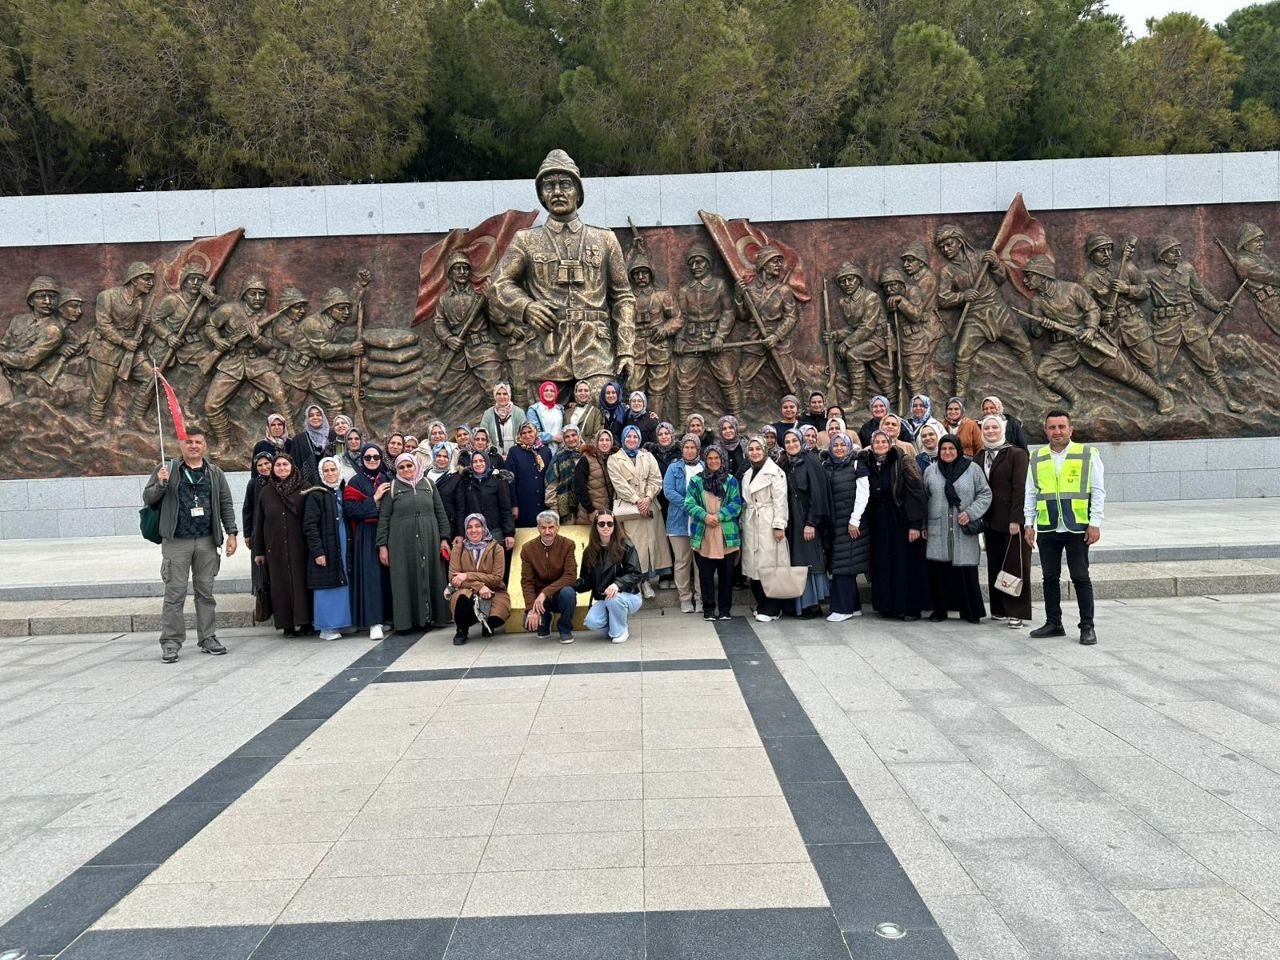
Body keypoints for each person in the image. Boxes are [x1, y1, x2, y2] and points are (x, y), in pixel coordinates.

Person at [488, 148, 636, 399]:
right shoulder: (526, 240)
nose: (557, 192)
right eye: (549, 185)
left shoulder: (604, 239)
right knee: (546, 428)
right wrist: (526, 307)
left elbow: (623, 298)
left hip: (595, 352)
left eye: (565, 184)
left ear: (578, 192)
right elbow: (498, 284)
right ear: (542, 194)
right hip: (547, 352)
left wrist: (626, 350)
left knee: (599, 427)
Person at [142, 427, 239, 663]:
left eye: (198, 442)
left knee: (205, 592)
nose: (193, 446)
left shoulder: (215, 472)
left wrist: (232, 533)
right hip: (177, 541)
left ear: (204, 446)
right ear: (181, 445)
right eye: (189, 442)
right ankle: (171, 642)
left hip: (206, 540)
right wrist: (161, 484)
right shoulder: (168, 469)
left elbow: (225, 503)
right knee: (174, 594)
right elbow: (148, 499)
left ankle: (208, 638)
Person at [1024, 410, 1105, 645]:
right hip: (1048, 525)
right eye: (1052, 427)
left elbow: (1098, 490)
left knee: (1080, 576)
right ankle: (1054, 623)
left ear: (1071, 429)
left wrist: (1095, 523)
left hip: (1077, 526)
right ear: (1045, 430)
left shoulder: (1088, 454)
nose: (1057, 431)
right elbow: (1030, 492)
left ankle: (1087, 626)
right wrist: (1029, 523)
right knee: (1050, 577)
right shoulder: (1037, 457)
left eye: (1061, 427)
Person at [853, 431, 927, 621]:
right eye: (876, 441)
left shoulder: (903, 460)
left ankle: (909, 608)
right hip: (878, 521)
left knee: (904, 563)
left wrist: (915, 525)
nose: (880, 444)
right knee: (882, 563)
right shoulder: (867, 461)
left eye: (883, 441)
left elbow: (916, 491)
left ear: (890, 442)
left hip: (900, 519)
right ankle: (886, 606)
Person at [378, 453, 452, 634]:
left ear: (416, 466)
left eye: (409, 466)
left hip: (430, 538)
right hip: (401, 543)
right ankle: (407, 622)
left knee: (431, 574)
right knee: (404, 578)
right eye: (401, 467)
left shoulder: (428, 485)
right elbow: (384, 519)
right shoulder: (393, 488)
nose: (406, 470)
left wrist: (444, 538)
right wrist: (382, 546)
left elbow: (440, 513)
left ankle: (433, 617)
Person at [923, 435, 992, 623]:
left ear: (958, 449)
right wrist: (923, 525)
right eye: (943, 449)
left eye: (951, 449)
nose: (947, 452)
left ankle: (970, 611)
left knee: (966, 571)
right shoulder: (931, 471)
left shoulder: (972, 469)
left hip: (963, 529)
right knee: (940, 572)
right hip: (938, 529)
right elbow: (924, 499)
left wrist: (970, 513)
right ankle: (940, 610)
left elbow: (985, 494)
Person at [980, 414, 1033, 628]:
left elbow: (1020, 489)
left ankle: (1016, 611)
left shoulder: (1016, 454)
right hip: (990, 521)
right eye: (986, 428)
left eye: (994, 427)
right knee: (995, 564)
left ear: (1002, 429)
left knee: (1015, 565)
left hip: (1012, 521)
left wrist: (1016, 519)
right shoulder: (980, 456)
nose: (990, 431)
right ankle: (999, 609)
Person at [608, 424, 672, 597]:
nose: (632, 439)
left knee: (652, 546)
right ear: (623, 439)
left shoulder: (647, 456)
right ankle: (637, 581)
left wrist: (648, 497)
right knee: (635, 548)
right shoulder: (614, 459)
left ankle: (647, 582)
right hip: (630, 509)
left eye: (635, 437)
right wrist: (637, 500)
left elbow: (656, 479)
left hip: (650, 507)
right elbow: (619, 484)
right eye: (628, 436)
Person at [253, 453, 312, 637]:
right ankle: (287, 625)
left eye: (285, 464)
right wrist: (259, 551)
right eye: (278, 465)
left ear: (292, 466)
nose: (282, 468)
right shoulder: (266, 491)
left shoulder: (305, 488)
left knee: (301, 582)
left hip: (299, 545)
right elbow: (259, 522)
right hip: (275, 546)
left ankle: (305, 623)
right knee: (280, 585)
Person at [685, 445, 744, 621]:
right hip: (704, 533)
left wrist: (720, 516)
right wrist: (705, 516)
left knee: (726, 576)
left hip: (726, 533)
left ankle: (725, 610)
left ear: (722, 460)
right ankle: (709, 610)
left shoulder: (731, 480)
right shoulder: (696, 481)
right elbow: (689, 503)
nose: (713, 461)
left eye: (716, 458)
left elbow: (736, 504)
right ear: (705, 460)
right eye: (709, 458)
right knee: (705, 575)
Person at [343, 442, 393, 641]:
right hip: (366, 535)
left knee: (387, 576)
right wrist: (375, 498)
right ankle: (374, 622)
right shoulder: (355, 481)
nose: (372, 461)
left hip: (387, 532)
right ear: (362, 459)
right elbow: (351, 510)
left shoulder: (387, 478)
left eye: (376, 457)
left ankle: (388, 617)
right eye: (368, 457)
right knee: (371, 578)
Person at [779, 429, 832, 618]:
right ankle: (800, 604)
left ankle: (812, 604)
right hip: (793, 522)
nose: (791, 444)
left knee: (810, 561)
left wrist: (812, 523)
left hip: (808, 522)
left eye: (795, 440)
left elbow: (818, 494)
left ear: (801, 441)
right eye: (787, 441)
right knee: (798, 561)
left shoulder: (811, 461)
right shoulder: (785, 464)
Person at [575, 511, 644, 642]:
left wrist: (617, 584)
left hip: (628, 595)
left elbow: (635, 574)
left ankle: (620, 631)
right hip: (603, 598)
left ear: (614, 526)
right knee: (591, 622)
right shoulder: (589, 552)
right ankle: (616, 625)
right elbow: (587, 580)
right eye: (601, 523)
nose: (606, 527)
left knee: (614, 599)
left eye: (609, 523)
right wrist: (570, 583)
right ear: (596, 526)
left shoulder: (626, 546)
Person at [741, 436, 789, 622]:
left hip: (768, 522)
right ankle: (761, 604)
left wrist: (779, 525)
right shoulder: (747, 473)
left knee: (769, 566)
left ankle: (772, 608)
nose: (754, 452)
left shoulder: (775, 472)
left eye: (758, 448)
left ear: (764, 450)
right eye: (751, 449)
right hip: (752, 522)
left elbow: (780, 501)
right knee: (754, 567)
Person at [304, 457, 352, 641]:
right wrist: (318, 551)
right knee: (327, 587)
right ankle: (327, 627)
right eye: (326, 471)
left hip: (342, 544)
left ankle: (342, 622)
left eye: (333, 470)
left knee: (343, 584)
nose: (330, 474)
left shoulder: (342, 491)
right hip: (327, 546)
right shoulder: (316, 494)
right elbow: (310, 526)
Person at [824, 431, 870, 622]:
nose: (839, 448)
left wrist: (854, 520)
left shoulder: (857, 464)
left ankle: (843, 608)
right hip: (836, 522)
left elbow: (863, 493)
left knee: (843, 565)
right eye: (835, 445)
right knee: (843, 562)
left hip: (851, 522)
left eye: (843, 445)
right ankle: (854, 606)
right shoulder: (828, 465)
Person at [448, 513, 510, 644]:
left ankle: (487, 624)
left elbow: (496, 578)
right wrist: (479, 586)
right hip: (466, 591)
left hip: (493, 591)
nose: (473, 530)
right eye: (469, 527)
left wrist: (467, 575)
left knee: (497, 617)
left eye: (477, 526)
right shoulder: (458, 548)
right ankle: (462, 630)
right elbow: (453, 577)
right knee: (463, 599)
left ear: (484, 527)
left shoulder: (496, 548)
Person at [521, 511, 580, 642]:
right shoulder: (527, 549)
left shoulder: (568, 545)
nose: (547, 532)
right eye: (543, 527)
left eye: (551, 527)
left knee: (569, 593)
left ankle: (565, 628)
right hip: (540, 601)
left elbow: (570, 576)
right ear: (538, 528)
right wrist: (531, 609)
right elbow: (527, 582)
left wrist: (545, 593)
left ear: (558, 527)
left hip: (559, 595)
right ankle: (545, 619)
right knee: (528, 624)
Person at [663, 434, 704, 613]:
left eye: (692, 447)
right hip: (678, 522)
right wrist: (689, 505)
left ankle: (700, 597)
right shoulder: (674, 468)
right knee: (682, 561)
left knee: (700, 563)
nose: (689, 450)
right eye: (686, 447)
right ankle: (685, 598)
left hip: (700, 523)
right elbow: (668, 491)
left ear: (698, 449)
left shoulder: (704, 467)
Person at [456, 450, 516, 553]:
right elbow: (461, 510)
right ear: (471, 464)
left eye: (481, 460)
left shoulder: (498, 480)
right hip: (474, 534)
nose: (478, 464)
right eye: (475, 461)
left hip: (495, 531)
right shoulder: (466, 482)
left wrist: (509, 533)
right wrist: (460, 533)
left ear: (487, 461)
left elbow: (506, 508)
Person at [507, 421, 553, 529]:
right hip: (524, 503)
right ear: (519, 435)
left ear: (535, 432)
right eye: (523, 433)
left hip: (543, 502)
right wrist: (514, 505)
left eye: (530, 431)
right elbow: (510, 480)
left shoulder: (546, 451)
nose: (527, 435)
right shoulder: (514, 452)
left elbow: (551, 478)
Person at [574, 428, 617, 523]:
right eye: (601, 440)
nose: (604, 443)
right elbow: (579, 487)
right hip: (590, 513)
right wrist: (591, 510)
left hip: (609, 513)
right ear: (596, 442)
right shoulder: (586, 459)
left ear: (611, 442)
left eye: (607, 440)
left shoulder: (615, 459)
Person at [545, 423, 584, 523]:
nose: (571, 439)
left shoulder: (587, 453)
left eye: (574, 435)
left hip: (585, 506)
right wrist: (553, 509)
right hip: (565, 510)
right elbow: (551, 484)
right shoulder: (558, 457)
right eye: (567, 436)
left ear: (579, 435)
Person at [288, 404, 333, 483]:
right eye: (311, 415)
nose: (315, 417)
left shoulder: (332, 435)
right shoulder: (298, 440)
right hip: (308, 485)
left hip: (333, 481)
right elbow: (295, 466)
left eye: (318, 415)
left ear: (323, 417)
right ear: (307, 419)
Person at [425, 443, 463, 539]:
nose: (442, 459)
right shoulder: (424, 476)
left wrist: (460, 533)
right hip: (427, 527)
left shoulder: (456, 477)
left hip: (449, 528)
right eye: (439, 455)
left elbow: (460, 508)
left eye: (446, 456)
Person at [479, 382, 526, 457]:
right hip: (494, 456)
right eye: (498, 394)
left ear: (509, 395)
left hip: (516, 455)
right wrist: (496, 453)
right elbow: (483, 435)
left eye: (505, 394)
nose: (502, 396)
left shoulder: (519, 413)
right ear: (495, 395)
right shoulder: (488, 414)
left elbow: (524, 435)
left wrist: (513, 453)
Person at [242, 452, 273, 554]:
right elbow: (247, 510)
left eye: (267, 463)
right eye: (259, 465)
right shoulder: (253, 484)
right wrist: (247, 534)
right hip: (258, 530)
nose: (264, 467)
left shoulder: (281, 482)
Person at [526, 380, 565, 449]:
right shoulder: (534, 410)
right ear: (541, 392)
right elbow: (533, 433)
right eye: (546, 390)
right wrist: (552, 438)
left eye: (552, 391)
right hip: (542, 450)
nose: (549, 393)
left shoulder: (560, 409)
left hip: (560, 450)